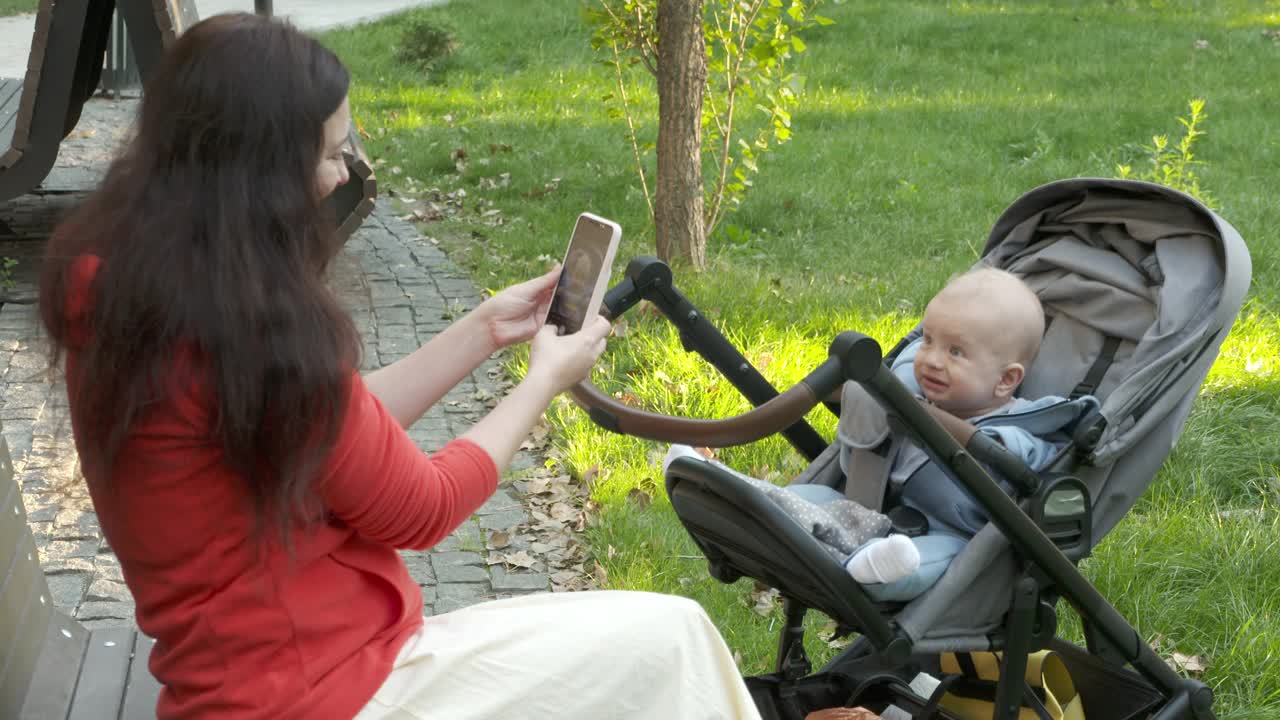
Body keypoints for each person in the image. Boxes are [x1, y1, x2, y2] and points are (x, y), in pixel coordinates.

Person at [39, 14, 762, 720]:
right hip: (329, 690)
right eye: (331, 152)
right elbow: (424, 505)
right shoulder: (247, 330)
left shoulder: (128, 289)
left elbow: (329, 426)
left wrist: (482, 331)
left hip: (254, 680)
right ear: (260, 172)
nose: (345, 173)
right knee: (675, 639)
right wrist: (544, 380)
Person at [666, 268, 1097, 602]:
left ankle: (875, 571)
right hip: (871, 512)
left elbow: (1028, 464)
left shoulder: (1020, 426)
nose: (930, 359)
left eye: (956, 352)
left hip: (951, 537)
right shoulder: (906, 388)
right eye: (927, 340)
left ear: (1006, 381)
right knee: (809, 501)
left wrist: (958, 433)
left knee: (920, 563)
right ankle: (737, 494)